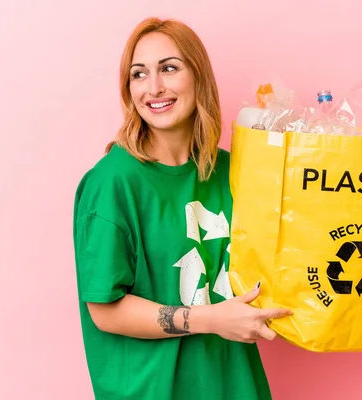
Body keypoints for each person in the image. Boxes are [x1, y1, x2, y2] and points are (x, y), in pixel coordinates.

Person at [72, 17, 292, 400]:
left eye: (169, 68)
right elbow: (104, 310)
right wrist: (210, 319)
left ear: (198, 77)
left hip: (235, 385)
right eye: (139, 74)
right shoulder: (113, 183)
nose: (154, 87)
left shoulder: (233, 171)